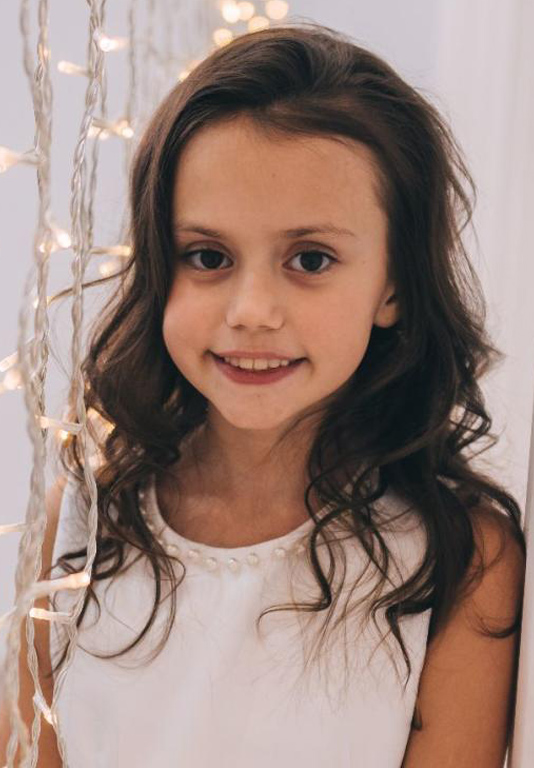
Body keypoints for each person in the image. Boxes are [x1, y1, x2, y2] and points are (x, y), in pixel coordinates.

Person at [0, 22, 526, 768]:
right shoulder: (85, 517)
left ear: (395, 285)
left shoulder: (461, 562)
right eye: (207, 256)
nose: (251, 311)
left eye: (310, 260)